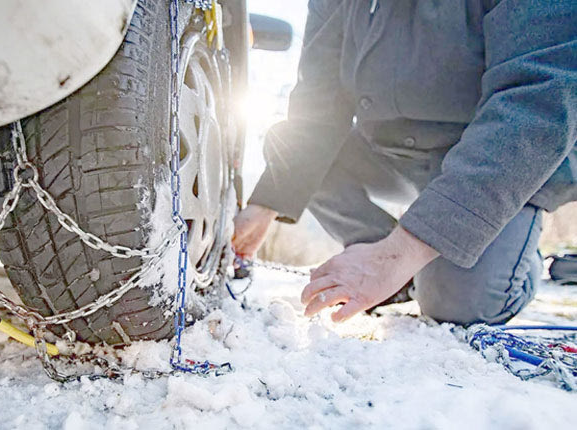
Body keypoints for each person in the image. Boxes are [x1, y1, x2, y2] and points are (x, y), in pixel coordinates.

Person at [233, 0, 577, 325]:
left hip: (493, 158)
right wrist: (266, 203)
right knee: (290, 144)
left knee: (458, 302)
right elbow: (318, 104)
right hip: (390, 151)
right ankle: (388, 262)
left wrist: (398, 253)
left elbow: (538, 101)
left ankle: (514, 258)